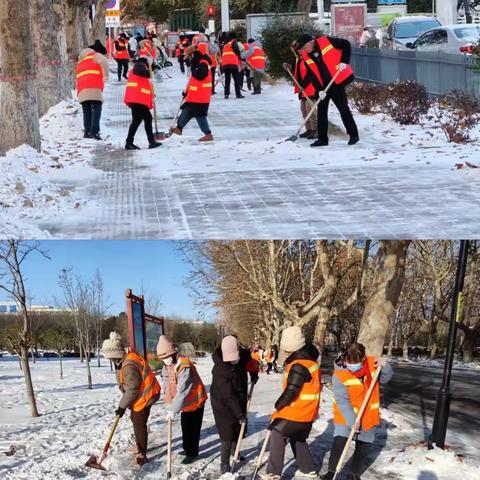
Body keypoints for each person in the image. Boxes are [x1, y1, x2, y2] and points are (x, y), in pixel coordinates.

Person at [321, 343, 393, 480]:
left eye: (357, 362)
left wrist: (386, 366)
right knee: (340, 441)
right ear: (344, 358)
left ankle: (354, 474)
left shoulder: (372, 364)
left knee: (364, 445)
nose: (352, 365)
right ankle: (331, 472)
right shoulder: (339, 375)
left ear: (363, 359)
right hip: (345, 414)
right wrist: (353, 421)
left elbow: (385, 379)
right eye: (349, 362)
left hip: (368, 414)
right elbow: (343, 401)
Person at [261, 326, 321, 480]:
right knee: (297, 437)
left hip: (297, 410)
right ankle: (308, 469)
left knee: (277, 433)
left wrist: (278, 405)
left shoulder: (299, 365)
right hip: (307, 411)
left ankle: (273, 473)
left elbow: (291, 392)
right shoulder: (310, 361)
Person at [101, 332, 161, 465]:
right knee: (136, 419)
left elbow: (132, 389)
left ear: (115, 355)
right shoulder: (127, 358)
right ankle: (140, 445)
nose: (110, 361)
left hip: (145, 395)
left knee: (139, 422)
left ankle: (142, 452)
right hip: (143, 393)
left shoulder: (128, 366)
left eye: (110, 358)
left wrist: (121, 407)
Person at [296, 34, 359, 147]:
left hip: (336, 82)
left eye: (305, 47)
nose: (304, 50)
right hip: (323, 86)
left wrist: (344, 61)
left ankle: (354, 135)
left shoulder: (326, 41)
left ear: (310, 43)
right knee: (321, 112)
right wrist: (319, 90)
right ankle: (323, 139)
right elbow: (312, 75)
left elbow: (346, 44)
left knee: (343, 108)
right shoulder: (306, 55)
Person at [210, 335, 259, 474]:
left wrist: (254, 373)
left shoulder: (242, 355)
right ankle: (224, 463)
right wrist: (240, 414)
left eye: (235, 358)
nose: (234, 361)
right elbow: (229, 395)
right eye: (230, 360)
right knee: (227, 433)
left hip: (240, 394)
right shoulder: (220, 370)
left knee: (238, 429)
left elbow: (251, 362)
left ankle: (235, 452)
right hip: (222, 402)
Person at [157, 335, 208, 465]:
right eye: (163, 359)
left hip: (195, 401)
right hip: (185, 403)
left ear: (174, 354)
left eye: (168, 358)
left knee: (193, 428)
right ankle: (187, 448)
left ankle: (192, 453)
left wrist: (173, 409)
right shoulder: (167, 365)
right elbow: (166, 381)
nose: (166, 361)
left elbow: (183, 390)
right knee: (185, 426)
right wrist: (168, 401)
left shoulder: (184, 366)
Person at [171, 46, 214, 142]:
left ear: (193, 54)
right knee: (187, 111)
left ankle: (208, 134)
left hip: (200, 96)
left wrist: (194, 67)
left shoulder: (203, 63)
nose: (189, 59)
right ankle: (179, 128)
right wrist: (187, 91)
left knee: (199, 115)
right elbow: (193, 80)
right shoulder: (198, 63)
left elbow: (199, 76)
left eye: (189, 56)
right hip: (195, 95)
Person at [123, 57, 162, 150]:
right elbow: (143, 72)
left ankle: (129, 142)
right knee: (147, 118)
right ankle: (151, 142)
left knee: (136, 121)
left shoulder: (138, 68)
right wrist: (151, 70)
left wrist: (152, 94)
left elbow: (143, 83)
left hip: (136, 99)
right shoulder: (139, 65)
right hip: (137, 99)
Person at [76, 41, 109, 140]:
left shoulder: (80, 62)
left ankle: (87, 132)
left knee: (86, 110)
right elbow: (103, 61)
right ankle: (94, 132)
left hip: (81, 88)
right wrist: (106, 75)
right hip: (93, 85)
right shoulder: (95, 55)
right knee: (97, 107)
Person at [289, 40, 318, 140]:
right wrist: (290, 68)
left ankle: (315, 130)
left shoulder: (308, 56)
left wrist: (303, 85)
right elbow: (300, 73)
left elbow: (312, 72)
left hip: (311, 87)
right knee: (304, 109)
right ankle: (309, 129)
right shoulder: (299, 58)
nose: (296, 50)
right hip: (304, 89)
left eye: (297, 48)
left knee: (311, 110)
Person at [221, 31, 244, 99]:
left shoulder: (225, 45)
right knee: (236, 79)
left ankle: (226, 94)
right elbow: (236, 50)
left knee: (227, 80)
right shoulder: (233, 42)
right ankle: (238, 94)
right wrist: (240, 58)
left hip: (225, 64)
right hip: (233, 63)